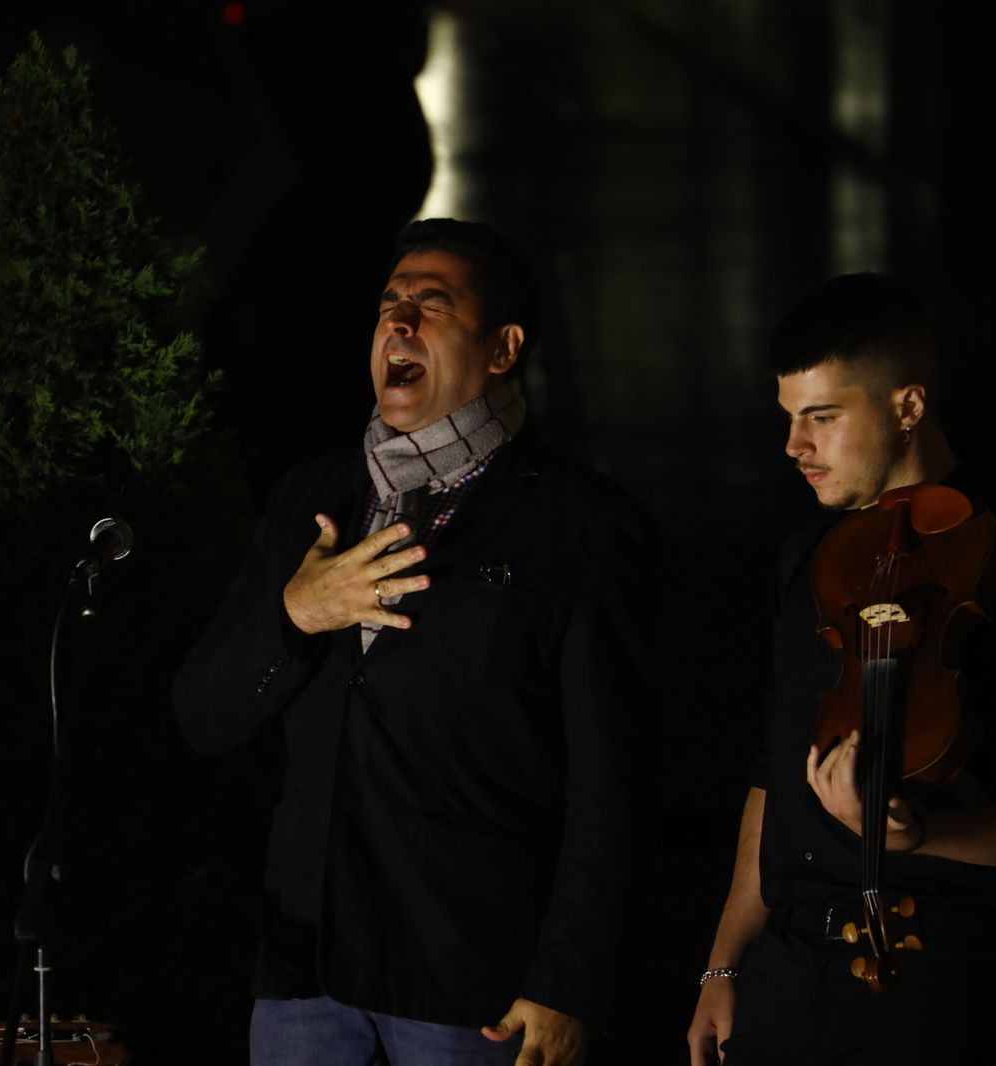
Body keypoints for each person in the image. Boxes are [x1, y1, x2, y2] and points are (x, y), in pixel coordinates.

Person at [173, 218, 650, 1066]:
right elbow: (202, 715)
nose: (399, 323)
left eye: (432, 305)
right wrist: (296, 615)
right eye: (390, 304)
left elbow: (611, 783)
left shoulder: (583, 527)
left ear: (503, 348)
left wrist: (569, 981)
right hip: (302, 970)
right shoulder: (311, 495)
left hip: (475, 988)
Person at [685, 274, 996, 1065]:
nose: (794, 447)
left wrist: (920, 835)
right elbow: (774, 763)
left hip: (935, 977)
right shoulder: (810, 558)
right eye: (789, 419)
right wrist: (724, 963)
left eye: (821, 418)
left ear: (908, 406)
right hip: (785, 972)